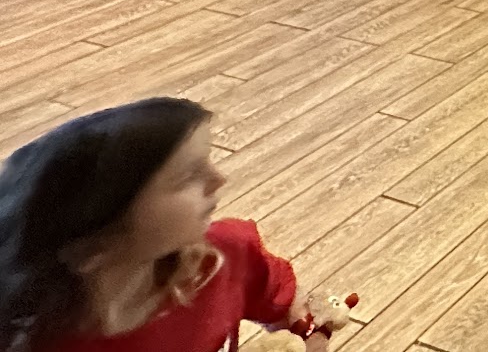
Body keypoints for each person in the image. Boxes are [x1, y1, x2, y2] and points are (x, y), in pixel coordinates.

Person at [0, 97, 356, 352]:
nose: (219, 179)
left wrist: (308, 334)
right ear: (96, 246)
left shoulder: (225, 255)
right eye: (188, 176)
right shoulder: (36, 338)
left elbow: (288, 307)